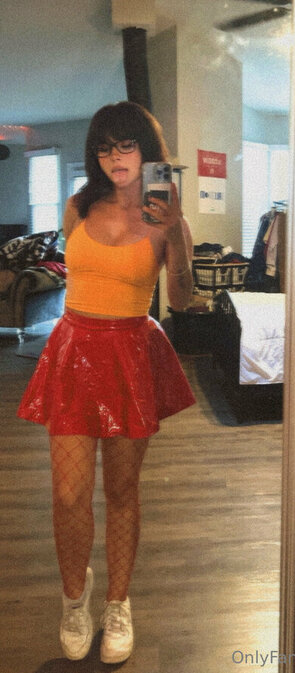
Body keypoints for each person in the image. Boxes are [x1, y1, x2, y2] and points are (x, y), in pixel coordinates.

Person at [17, 101, 196, 664]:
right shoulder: (78, 206)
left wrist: (177, 233)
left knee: (121, 492)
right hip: (74, 351)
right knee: (68, 494)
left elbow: (182, 300)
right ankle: (76, 598)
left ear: (147, 151)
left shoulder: (166, 217)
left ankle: (118, 602)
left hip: (130, 355)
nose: (115, 157)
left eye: (126, 145)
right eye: (104, 148)